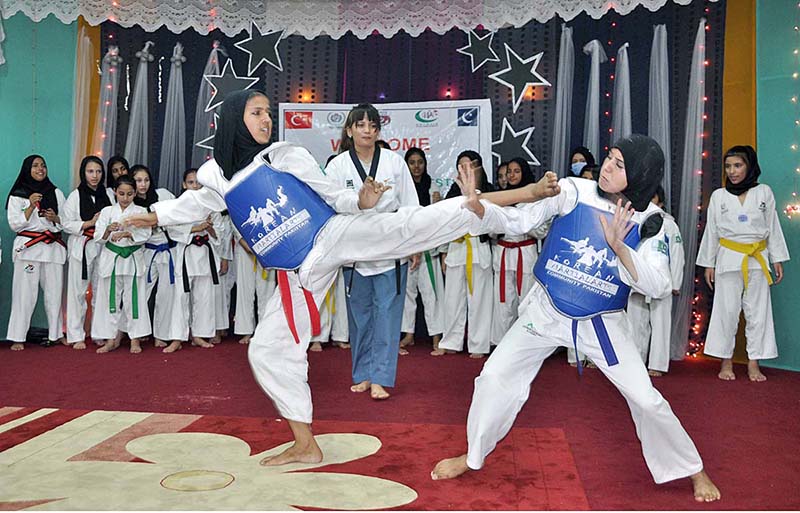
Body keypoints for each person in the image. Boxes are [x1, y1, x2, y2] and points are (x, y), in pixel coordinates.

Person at [124, 89, 560, 468]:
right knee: (267, 350)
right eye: (256, 113)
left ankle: (525, 194)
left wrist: (363, 199)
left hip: (331, 236)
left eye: (267, 113)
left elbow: (334, 196)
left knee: (413, 223)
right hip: (297, 271)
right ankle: (304, 444)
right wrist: (148, 217)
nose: (266, 119)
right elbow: (193, 206)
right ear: (235, 117)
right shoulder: (216, 174)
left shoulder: (284, 155)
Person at [431, 135, 721, 503]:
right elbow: (521, 220)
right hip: (547, 309)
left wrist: (619, 247)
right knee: (493, 376)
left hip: (602, 324)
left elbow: (660, 284)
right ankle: (472, 456)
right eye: (609, 159)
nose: (608, 168)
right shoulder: (573, 190)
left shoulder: (653, 222)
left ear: (640, 175)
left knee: (647, 400)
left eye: (619, 165)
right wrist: (480, 208)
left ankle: (694, 469)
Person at [325, 103, 420, 399]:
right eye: (361, 125)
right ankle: (363, 374)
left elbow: (411, 206)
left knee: (388, 316)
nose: (367, 131)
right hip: (354, 248)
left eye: (372, 126)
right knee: (360, 317)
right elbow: (329, 206)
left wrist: (415, 243)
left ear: (378, 130)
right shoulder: (338, 166)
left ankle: (381, 377)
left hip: (390, 247)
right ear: (350, 130)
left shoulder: (394, 162)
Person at [697, 145, 789, 382]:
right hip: (728, 257)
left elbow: (773, 227)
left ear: (749, 166)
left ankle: (753, 363)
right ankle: (726, 362)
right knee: (726, 312)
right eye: (728, 166)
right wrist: (709, 263)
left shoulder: (764, 193)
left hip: (757, 258)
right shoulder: (719, 196)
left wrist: (776, 257)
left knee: (758, 313)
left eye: (738, 165)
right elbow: (712, 231)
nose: (733, 171)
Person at [435, 151, 494, 358]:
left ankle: (478, 345)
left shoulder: (489, 192)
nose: (465, 169)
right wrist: (443, 252)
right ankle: (451, 341)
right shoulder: (452, 194)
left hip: (479, 248)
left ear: (478, 167)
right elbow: (443, 225)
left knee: (480, 300)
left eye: (469, 165)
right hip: (456, 249)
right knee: (452, 299)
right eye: (461, 165)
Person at [5, 155, 67, 351]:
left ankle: (56, 334)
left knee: (54, 294)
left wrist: (55, 217)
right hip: (29, 248)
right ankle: (17, 336)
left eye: (43, 165)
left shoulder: (55, 192)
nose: (40, 169)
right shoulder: (18, 194)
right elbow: (15, 223)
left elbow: (66, 221)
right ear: (27, 169)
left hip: (52, 248)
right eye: (35, 166)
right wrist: (31, 205)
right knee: (24, 295)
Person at [490, 157, 548, 347]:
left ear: (524, 172)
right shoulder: (500, 198)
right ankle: (501, 346)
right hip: (504, 253)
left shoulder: (536, 199)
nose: (512, 175)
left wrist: (522, 219)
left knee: (526, 303)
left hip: (526, 252)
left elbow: (542, 231)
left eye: (516, 171)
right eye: (509, 172)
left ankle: (526, 346)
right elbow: (490, 230)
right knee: (503, 302)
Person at [627, 185, 684, 376]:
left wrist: (676, 282)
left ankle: (657, 364)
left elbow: (677, 254)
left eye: (654, 199)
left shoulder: (669, 224)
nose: (650, 203)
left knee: (660, 323)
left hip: (662, 278)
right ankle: (636, 361)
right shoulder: (633, 220)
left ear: (661, 202)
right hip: (637, 279)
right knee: (635, 322)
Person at [92, 175, 152, 354]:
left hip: (133, 258)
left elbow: (146, 234)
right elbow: (97, 238)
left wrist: (128, 234)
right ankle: (110, 339)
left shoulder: (141, 211)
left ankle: (135, 339)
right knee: (110, 300)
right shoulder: (107, 212)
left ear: (135, 193)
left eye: (130, 194)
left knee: (134, 300)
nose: (125, 198)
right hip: (112, 258)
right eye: (121, 194)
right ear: (115, 193)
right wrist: (107, 230)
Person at [131, 164, 187, 352]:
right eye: (138, 180)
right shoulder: (131, 206)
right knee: (140, 293)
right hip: (146, 251)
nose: (143, 184)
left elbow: (178, 215)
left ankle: (161, 335)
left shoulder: (163, 195)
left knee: (166, 294)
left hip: (168, 251)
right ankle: (134, 335)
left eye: (146, 180)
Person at [62, 156, 112, 349]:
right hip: (81, 246)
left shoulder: (108, 194)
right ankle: (76, 335)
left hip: (103, 247)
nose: (95, 176)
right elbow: (66, 223)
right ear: (83, 173)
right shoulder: (75, 196)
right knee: (78, 292)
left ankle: (99, 333)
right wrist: (89, 223)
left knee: (102, 291)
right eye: (90, 171)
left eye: (98, 171)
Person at [399, 147, 444, 355]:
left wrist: (435, 204)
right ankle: (408, 333)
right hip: (408, 247)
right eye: (412, 162)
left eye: (420, 162)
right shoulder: (402, 188)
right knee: (408, 293)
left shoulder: (432, 186)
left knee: (431, 293)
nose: (416, 167)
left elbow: (436, 218)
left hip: (427, 249)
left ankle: (436, 335)